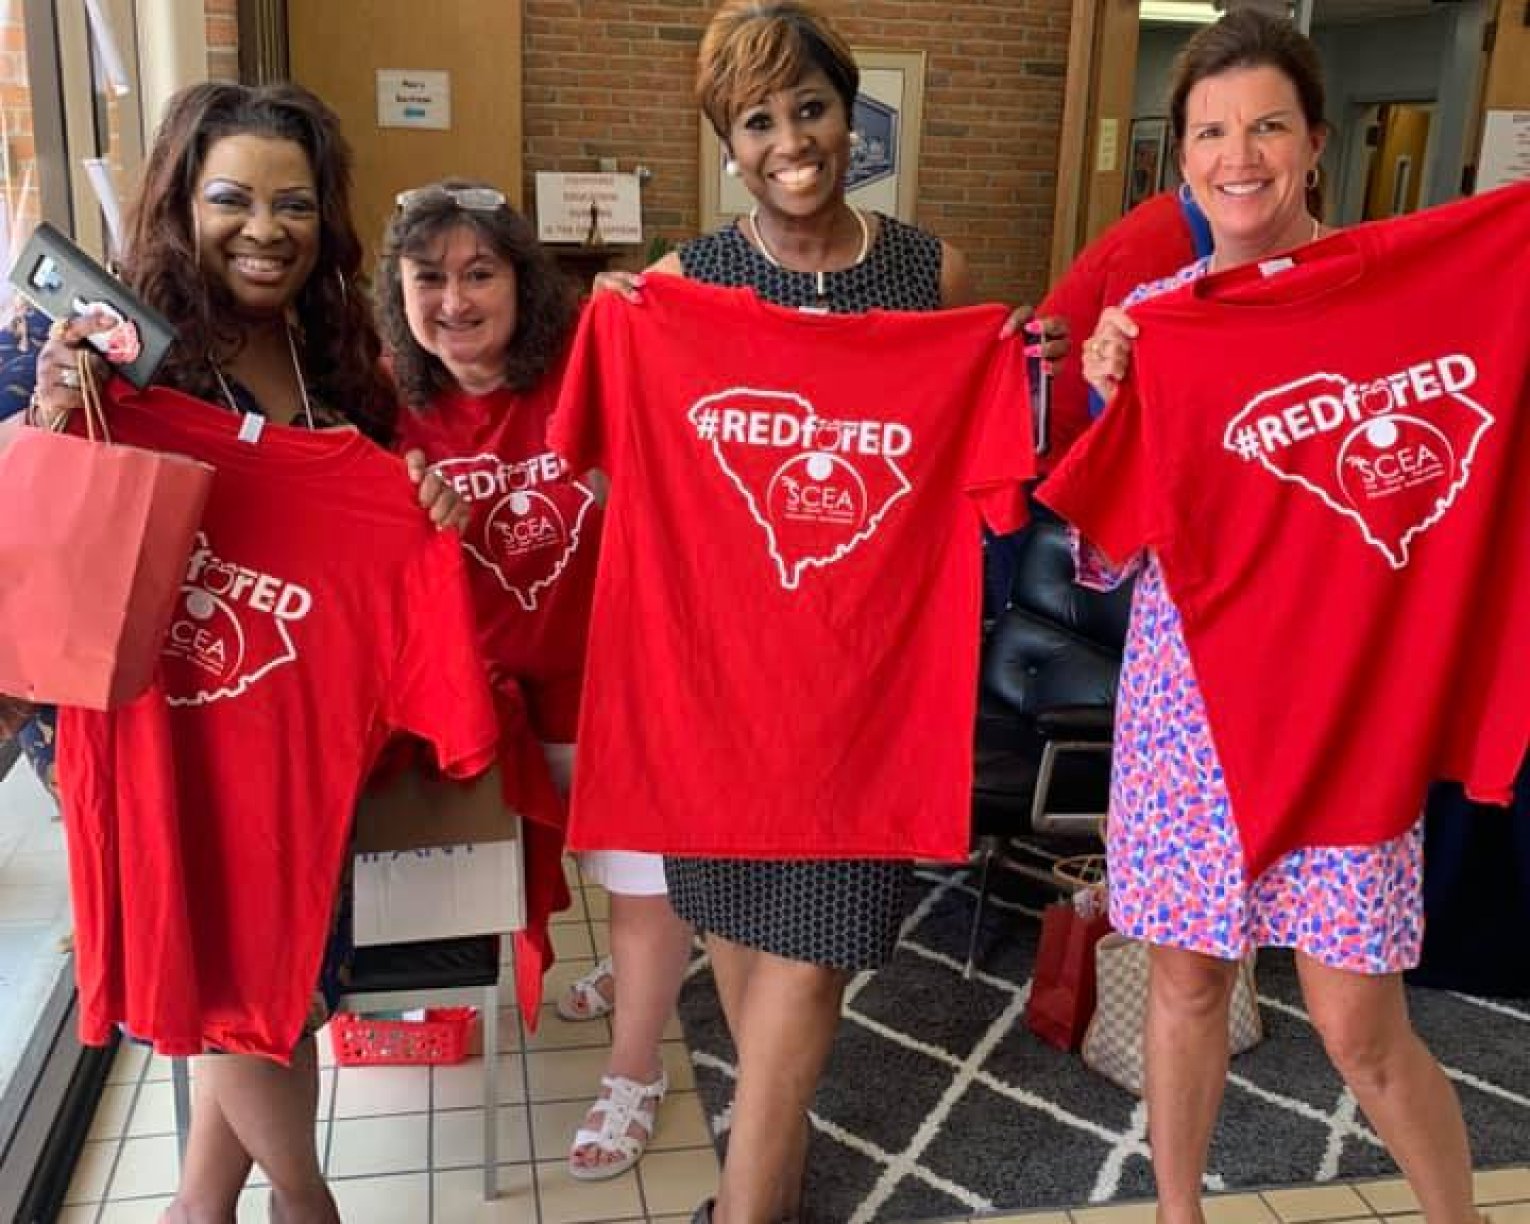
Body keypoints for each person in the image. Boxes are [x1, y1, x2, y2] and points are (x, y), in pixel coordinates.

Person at [594, 4, 1066, 1221]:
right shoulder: (683, 285)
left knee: (805, 979)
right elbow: (614, 473)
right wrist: (613, 336)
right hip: (718, 689)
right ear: (728, 142)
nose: (790, 139)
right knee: (743, 949)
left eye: (810, 107)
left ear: (851, 116)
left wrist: (1024, 368)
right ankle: (782, 1179)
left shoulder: (927, 274)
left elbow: (988, 464)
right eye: (758, 121)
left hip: (864, 691)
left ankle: (748, 1212)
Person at [30, 81, 459, 1224]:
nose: (264, 229)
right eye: (231, 198)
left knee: (275, 977)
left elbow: (380, 507)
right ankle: (304, 1203)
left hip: (289, 731)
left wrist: (424, 505)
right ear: (181, 202)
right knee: (229, 975)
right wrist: (50, 415)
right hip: (152, 720)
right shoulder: (115, 359)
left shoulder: (337, 358)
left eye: (294, 205)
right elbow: (33, 520)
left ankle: (201, 1208)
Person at [1077, 14, 1480, 1224]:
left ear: (1314, 143)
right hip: (1190, 702)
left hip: (1349, 699)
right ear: (1179, 155)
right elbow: (1107, 547)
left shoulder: (1403, 294)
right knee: (1189, 982)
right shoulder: (1160, 314)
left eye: (1264, 126)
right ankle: (1176, 1212)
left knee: (1359, 1022)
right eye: (1209, 131)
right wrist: (1111, 410)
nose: (1235, 154)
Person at [376, 181, 695, 1181]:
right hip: (477, 704)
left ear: (523, 282)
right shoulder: (381, 398)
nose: (455, 302)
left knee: (643, 891)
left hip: (616, 684)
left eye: (481, 274)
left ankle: (635, 1071)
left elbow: (689, 362)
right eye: (430, 278)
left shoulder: (588, 367)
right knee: (499, 886)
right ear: (399, 290)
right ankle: (609, 982)